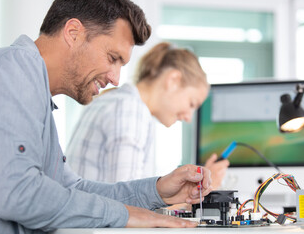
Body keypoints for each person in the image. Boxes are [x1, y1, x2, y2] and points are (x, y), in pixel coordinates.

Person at [0, 0, 212, 233]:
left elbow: (72, 189)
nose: (115, 79)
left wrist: (156, 192)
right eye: (112, 57)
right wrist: (126, 215)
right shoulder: (11, 70)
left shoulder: (37, 94)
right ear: (73, 33)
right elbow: (18, 193)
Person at [66, 42, 230, 190]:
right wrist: (204, 191)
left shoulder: (116, 100)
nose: (188, 117)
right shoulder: (131, 110)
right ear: (173, 80)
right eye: (191, 104)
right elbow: (129, 203)